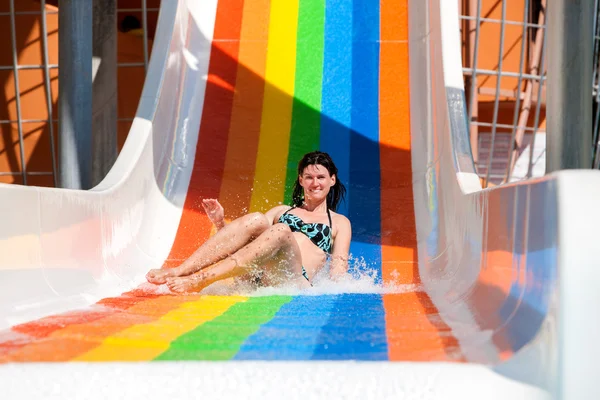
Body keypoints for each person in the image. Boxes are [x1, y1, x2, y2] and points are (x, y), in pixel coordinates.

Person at [145, 151, 352, 293]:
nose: (315, 183)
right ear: (300, 180)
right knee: (257, 219)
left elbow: (338, 272)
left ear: (332, 180)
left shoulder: (339, 222)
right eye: (308, 177)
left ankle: (200, 279)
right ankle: (180, 270)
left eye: (321, 177)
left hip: (294, 279)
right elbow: (248, 244)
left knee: (280, 229)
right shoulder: (283, 210)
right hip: (258, 275)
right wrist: (219, 223)